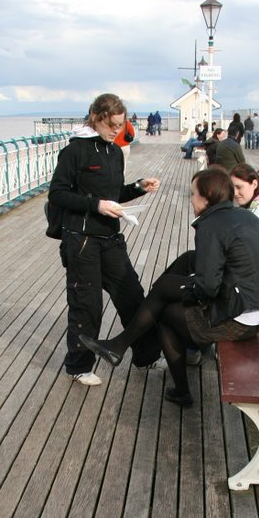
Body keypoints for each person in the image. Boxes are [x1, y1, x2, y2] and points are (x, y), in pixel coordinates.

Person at [78, 167, 259, 407]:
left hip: (239, 321)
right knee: (172, 284)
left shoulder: (211, 225)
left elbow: (208, 288)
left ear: (207, 197)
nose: (191, 199)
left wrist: (183, 296)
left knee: (167, 313)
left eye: (193, 194)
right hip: (256, 309)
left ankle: (161, 372)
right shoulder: (245, 216)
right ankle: (127, 341)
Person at [47, 92, 163, 386]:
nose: (117, 131)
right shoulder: (75, 151)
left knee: (132, 296)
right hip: (82, 240)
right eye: (112, 124)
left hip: (111, 238)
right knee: (86, 305)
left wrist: (137, 187)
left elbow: (113, 195)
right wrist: (95, 205)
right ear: (96, 118)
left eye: (121, 126)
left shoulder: (113, 151)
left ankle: (146, 356)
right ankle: (78, 366)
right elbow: (58, 194)